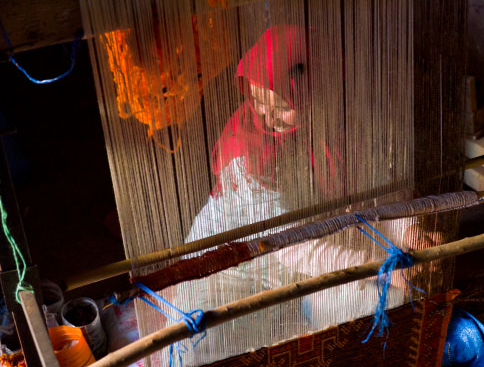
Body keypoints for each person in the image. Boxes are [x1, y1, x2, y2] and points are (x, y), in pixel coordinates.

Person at [174, 24, 409, 365]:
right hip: (236, 263)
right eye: (256, 100)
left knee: (379, 304)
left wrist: (411, 235)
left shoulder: (342, 125)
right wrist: (381, 268)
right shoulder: (249, 152)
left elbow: (387, 191)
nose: (266, 117)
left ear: (316, 93)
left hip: (297, 250)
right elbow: (290, 247)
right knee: (208, 343)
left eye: (281, 105)